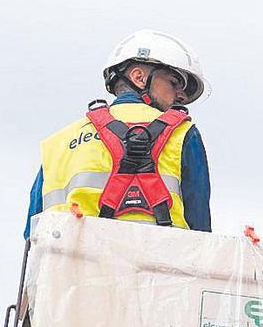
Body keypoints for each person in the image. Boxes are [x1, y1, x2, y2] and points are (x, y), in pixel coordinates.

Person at [23, 29, 212, 237]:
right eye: (174, 83)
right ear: (139, 77)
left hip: (71, 269)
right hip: (157, 266)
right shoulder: (182, 134)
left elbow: (32, 236)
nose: (179, 95)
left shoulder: (59, 143)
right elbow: (200, 232)